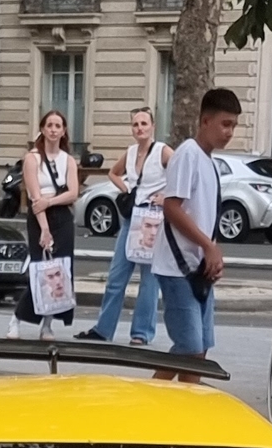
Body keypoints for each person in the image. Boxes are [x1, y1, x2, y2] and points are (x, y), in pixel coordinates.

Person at [156, 87, 241, 357]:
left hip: (196, 265)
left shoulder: (208, 161)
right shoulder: (188, 154)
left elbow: (202, 214)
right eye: (225, 124)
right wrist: (208, 245)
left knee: (200, 348)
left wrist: (210, 253)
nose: (230, 132)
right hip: (177, 267)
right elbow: (171, 207)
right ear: (205, 121)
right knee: (189, 348)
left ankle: (184, 399)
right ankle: (154, 399)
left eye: (234, 126)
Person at [92, 105, 167, 345]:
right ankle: (104, 329)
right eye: (135, 124)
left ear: (153, 126)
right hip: (131, 218)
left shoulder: (163, 151)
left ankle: (141, 333)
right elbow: (113, 173)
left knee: (149, 279)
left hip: (153, 219)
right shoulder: (132, 152)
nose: (140, 128)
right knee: (117, 275)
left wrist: (166, 195)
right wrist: (126, 188)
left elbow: (184, 173)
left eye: (144, 123)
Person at [18, 108, 79, 331]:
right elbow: (35, 197)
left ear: (64, 132)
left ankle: (48, 324)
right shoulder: (32, 159)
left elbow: (73, 193)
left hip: (62, 217)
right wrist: (44, 229)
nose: (53, 130)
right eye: (49, 126)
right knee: (40, 269)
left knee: (59, 272)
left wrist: (50, 201)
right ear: (42, 129)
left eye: (58, 126)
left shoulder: (69, 161)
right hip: (39, 218)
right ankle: (17, 318)